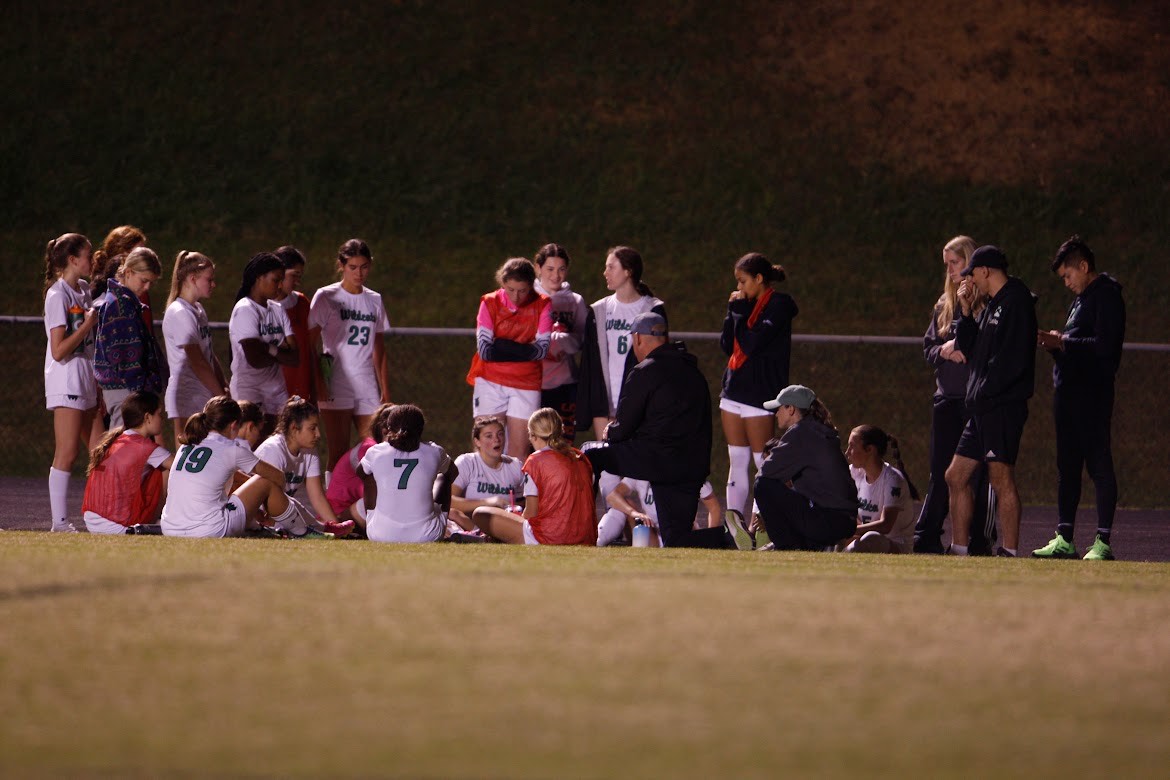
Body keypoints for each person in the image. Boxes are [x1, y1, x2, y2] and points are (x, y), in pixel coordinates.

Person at [582, 312, 720, 548]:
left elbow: (624, 428)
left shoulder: (645, 371)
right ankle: (729, 536)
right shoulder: (694, 372)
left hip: (657, 459)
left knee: (590, 453)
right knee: (677, 539)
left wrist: (610, 432)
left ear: (637, 339)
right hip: (691, 466)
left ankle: (579, 531)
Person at [1033, 235, 1125, 561]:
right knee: (1067, 466)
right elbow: (1074, 345)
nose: (1067, 283)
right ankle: (1065, 538)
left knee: (1098, 463)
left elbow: (1104, 347)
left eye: (1068, 275)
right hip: (1068, 393)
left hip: (1093, 393)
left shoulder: (1107, 295)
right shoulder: (1081, 299)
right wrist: (1056, 348)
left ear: (1084, 267)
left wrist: (1064, 343)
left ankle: (1102, 542)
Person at [944, 245, 1037, 557]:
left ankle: (1009, 551)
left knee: (1000, 477)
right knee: (955, 476)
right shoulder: (992, 305)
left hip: (1002, 405)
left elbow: (1014, 360)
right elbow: (971, 351)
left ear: (985, 270)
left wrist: (986, 390)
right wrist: (966, 311)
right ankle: (958, 548)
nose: (971, 281)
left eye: (973, 274)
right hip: (982, 408)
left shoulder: (1016, 301)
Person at [914, 236, 997, 555]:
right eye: (946, 263)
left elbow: (988, 350)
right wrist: (945, 351)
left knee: (975, 475)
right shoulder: (942, 304)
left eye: (955, 263)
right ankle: (928, 535)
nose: (949, 270)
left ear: (971, 262)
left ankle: (977, 539)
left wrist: (966, 346)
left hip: (975, 401)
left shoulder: (988, 304)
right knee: (940, 472)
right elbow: (928, 348)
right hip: (947, 399)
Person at [719, 252, 798, 521]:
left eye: (743, 282)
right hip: (733, 389)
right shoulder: (742, 305)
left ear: (759, 279)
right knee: (737, 460)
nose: (739, 288)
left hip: (760, 393)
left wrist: (740, 313)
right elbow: (727, 346)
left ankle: (763, 522)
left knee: (762, 462)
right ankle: (735, 525)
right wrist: (732, 314)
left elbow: (753, 344)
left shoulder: (780, 305)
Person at [160, 396, 300, 538]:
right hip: (209, 530)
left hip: (169, 527)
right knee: (265, 481)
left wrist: (253, 506)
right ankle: (301, 531)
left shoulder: (187, 444)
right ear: (234, 425)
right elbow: (277, 476)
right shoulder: (231, 449)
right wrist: (273, 506)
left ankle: (256, 528)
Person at [751, 385, 858, 551]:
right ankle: (804, 545)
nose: (776, 413)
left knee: (763, 485)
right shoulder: (817, 430)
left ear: (791, 409)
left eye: (779, 408)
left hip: (828, 520)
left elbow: (765, 473)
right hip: (843, 520)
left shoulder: (801, 432)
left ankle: (787, 547)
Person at [465, 256, 553, 458]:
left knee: (519, 453)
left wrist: (501, 344)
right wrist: (524, 349)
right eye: (510, 290)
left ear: (531, 286)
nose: (516, 297)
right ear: (502, 284)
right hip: (490, 380)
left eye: (522, 290)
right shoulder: (489, 302)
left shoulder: (543, 304)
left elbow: (541, 350)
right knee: (487, 448)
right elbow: (486, 351)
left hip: (526, 383)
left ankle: (515, 491)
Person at [577, 246, 667, 440]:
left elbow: (661, 360)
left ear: (628, 271)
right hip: (605, 398)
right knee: (607, 460)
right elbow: (590, 362)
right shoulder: (599, 310)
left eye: (611, 267)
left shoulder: (652, 309)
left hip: (638, 397)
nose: (605, 272)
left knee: (633, 464)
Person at [472, 407, 597, 545]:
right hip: (587, 538)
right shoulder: (580, 457)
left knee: (481, 514)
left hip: (550, 537)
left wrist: (515, 518)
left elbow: (531, 513)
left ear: (533, 435)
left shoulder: (536, 460)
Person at [43, 233, 100, 532]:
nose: (92, 260)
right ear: (72, 260)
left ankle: (104, 514)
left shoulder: (82, 289)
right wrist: (88, 324)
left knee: (101, 449)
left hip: (86, 379)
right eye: (88, 256)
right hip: (67, 381)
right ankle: (59, 522)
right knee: (67, 451)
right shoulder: (58, 294)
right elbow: (59, 349)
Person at [253, 396, 354, 537]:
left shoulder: (309, 450)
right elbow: (267, 503)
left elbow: (317, 496)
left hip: (284, 514)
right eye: (312, 428)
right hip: (260, 517)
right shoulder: (273, 450)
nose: (318, 434)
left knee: (306, 517)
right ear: (294, 428)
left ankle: (332, 530)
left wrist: (336, 526)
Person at [357, 404, 457, 543]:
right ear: (421, 429)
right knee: (444, 477)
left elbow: (361, 472)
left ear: (389, 428)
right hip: (427, 535)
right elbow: (453, 472)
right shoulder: (434, 451)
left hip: (380, 534)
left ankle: (373, 519)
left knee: (370, 475)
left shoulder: (376, 452)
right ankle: (440, 520)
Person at [81, 391, 173, 534]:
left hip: (92, 518)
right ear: (148, 417)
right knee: (165, 469)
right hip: (117, 523)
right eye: (159, 414)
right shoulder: (145, 446)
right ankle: (168, 518)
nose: (162, 419)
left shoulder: (115, 440)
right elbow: (182, 467)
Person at [93, 246, 164, 428]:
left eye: (151, 283)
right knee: (125, 449)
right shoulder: (120, 305)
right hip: (126, 390)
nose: (147, 287)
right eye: (144, 281)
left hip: (128, 389)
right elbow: (123, 356)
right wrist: (143, 387)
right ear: (129, 272)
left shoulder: (125, 302)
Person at [162, 250, 229, 442]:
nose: (213, 284)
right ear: (192, 278)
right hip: (187, 395)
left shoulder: (198, 309)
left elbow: (208, 354)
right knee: (187, 455)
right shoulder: (180, 311)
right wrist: (219, 397)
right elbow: (197, 361)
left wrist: (223, 384)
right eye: (209, 279)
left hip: (202, 393)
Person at [229, 252, 297, 435]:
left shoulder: (277, 309)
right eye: (276, 280)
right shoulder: (245, 309)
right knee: (251, 445)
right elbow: (254, 359)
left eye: (282, 280)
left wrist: (267, 347)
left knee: (279, 442)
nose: (280, 285)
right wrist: (278, 352)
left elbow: (294, 357)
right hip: (249, 389)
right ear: (259, 278)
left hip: (276, 389)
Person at [533, 243, 588, 438]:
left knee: (563, 441)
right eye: (550, 269)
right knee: (534, 443)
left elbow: (583, 340)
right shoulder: (528, 298)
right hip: (532, 384)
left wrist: (563, 341)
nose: (555, 275)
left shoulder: (575, 301)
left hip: (565, 384)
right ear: (538, 268)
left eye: (561, 269)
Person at [841, 425, 919, 553]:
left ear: (870, 449)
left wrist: (851, 529)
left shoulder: (892, 479)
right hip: (862, 537)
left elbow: (885, 525)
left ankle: (841, 560)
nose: (847, 452)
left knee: (871, 538)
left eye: (852, 446)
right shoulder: (854, 473)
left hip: (895, 545)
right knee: (832, 536)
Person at [449, 415, 525, 535]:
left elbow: (524, 503)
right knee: (452, 514)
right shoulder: (467, 462)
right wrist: (489, 502)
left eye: (500, 434)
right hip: (470, 526)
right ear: (477, 441)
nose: (496, 440)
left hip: (504, 528)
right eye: (489, 436)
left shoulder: (515, 466)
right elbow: (448, 501)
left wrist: (513, 509)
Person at [326, 403, 395, 530]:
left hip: (356, 505)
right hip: (339, 514)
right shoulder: (370, 449)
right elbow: (372, 493)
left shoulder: (384, 449)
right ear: (385, 430)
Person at [598, 477, 722, 547]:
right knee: (627, 505)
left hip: (680, 533)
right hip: (653, 532)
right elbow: (612, 497)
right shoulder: (641, 471)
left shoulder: (687, 472)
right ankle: (600, 540)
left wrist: (711, 540)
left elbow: (714, 508)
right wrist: (634, 513)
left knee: (686, 525)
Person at [274, 245, 316, 403]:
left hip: (300, 386)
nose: (298, 282)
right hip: (272, 389)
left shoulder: (301, 302)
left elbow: (309, 348)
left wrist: (314, 390)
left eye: (300, 276)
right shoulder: (259, 306)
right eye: (294, 275)